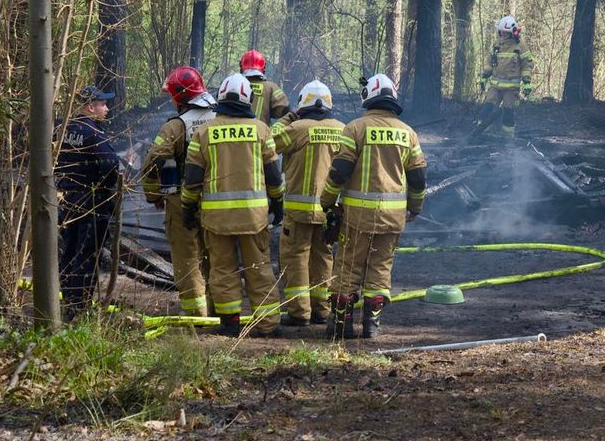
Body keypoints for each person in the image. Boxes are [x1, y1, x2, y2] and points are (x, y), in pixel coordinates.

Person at [318, 74, 426, 339]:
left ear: (367, 97)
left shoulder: (355, 128)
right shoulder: (408, 133)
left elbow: (340, 171)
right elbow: (418, 177)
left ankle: (341, 325)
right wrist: (415, 207)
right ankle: (372, 325)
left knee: (347, 267)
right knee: (380, 268)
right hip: (393, 218)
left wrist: (327, 202)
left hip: (357, 216)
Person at [181, 73, 285, 337]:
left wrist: (188, 208)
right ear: (247, 99)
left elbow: (192, 179)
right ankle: (267, 324)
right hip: (254, 218)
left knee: (223, 269)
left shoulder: (204, 132)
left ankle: (229, 323)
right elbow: (273, 174)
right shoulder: (262, 131)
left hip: (217, 220)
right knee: (259, 268)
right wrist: (278, 202)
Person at [141, 66, 217, 317]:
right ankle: (221, 308)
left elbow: (153, 163)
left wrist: (153, 195)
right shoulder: (221, 118)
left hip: (182, 198)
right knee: (217, 254)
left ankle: (196, 314)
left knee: (187, 255)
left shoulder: (176, 126)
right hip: (218, 201)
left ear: (180, 96)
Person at [270, 80, 344, 326]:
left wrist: (288, 118)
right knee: (324, 257)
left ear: (302, 103)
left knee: (296, 257)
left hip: (299, 212)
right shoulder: (343, 129)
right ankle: (321, 310)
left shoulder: (297, 128)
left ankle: (298, 313)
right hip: (329, 210)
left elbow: (267, 143)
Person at [55, 85, 122, 319]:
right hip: (93, 203)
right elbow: (111, 164)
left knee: (69, 252)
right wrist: (108, 184)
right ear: (90, 107)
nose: (107, 108)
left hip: (68, 201)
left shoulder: (62, 129)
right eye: (103, 104)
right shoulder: (93, 133)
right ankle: (79, 307)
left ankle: (68, 301)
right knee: (86, 255)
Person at [473, 16, 534, 137]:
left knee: (508, 112)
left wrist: (527, 82)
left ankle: (507, 139)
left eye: (506, 33)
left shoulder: (520, 46)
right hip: (495, 85)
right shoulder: (497, 45)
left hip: (511, 88)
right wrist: (484, 77)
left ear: (513, 33)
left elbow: (527, 65)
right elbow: (490, 62)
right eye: (501, 32)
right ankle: (481, 133)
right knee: (487, 107)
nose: (503, 35)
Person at [239, 49, 290, 126]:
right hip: (261, 135)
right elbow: (284, 110)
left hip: (235, 134)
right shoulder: (271, 88)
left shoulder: (232, 85)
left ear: (241, 67)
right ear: (264, 68)